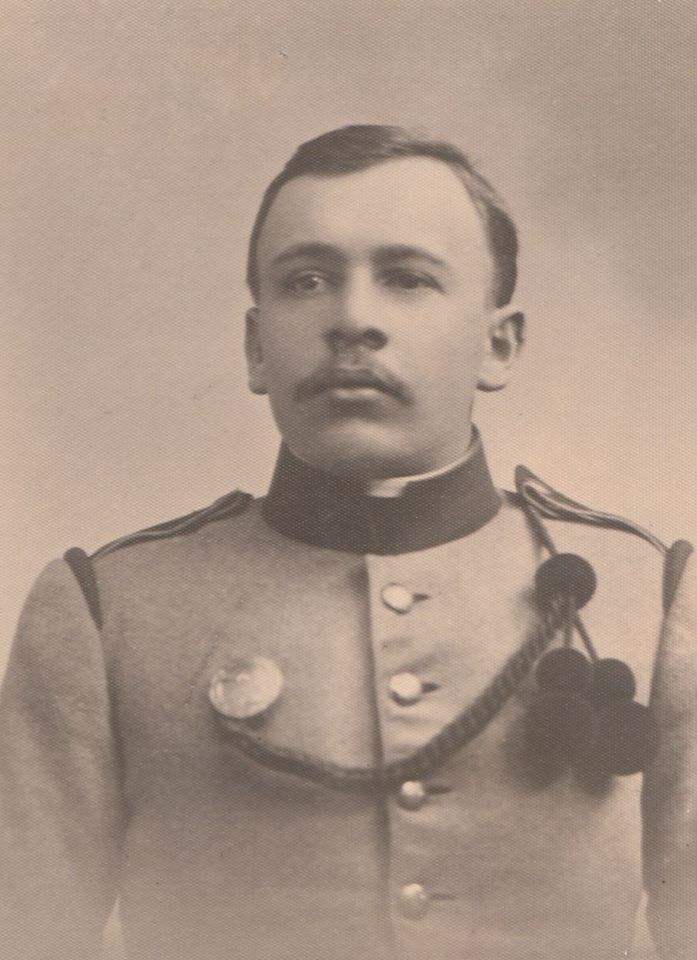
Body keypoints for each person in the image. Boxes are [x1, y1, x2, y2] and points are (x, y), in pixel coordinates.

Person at [1, 125, 694, 960]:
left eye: (407, 279)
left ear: (498, 343)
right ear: (256, 348)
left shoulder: (652, 598)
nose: (353, 320)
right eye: (306, 281)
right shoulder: (107, 613)